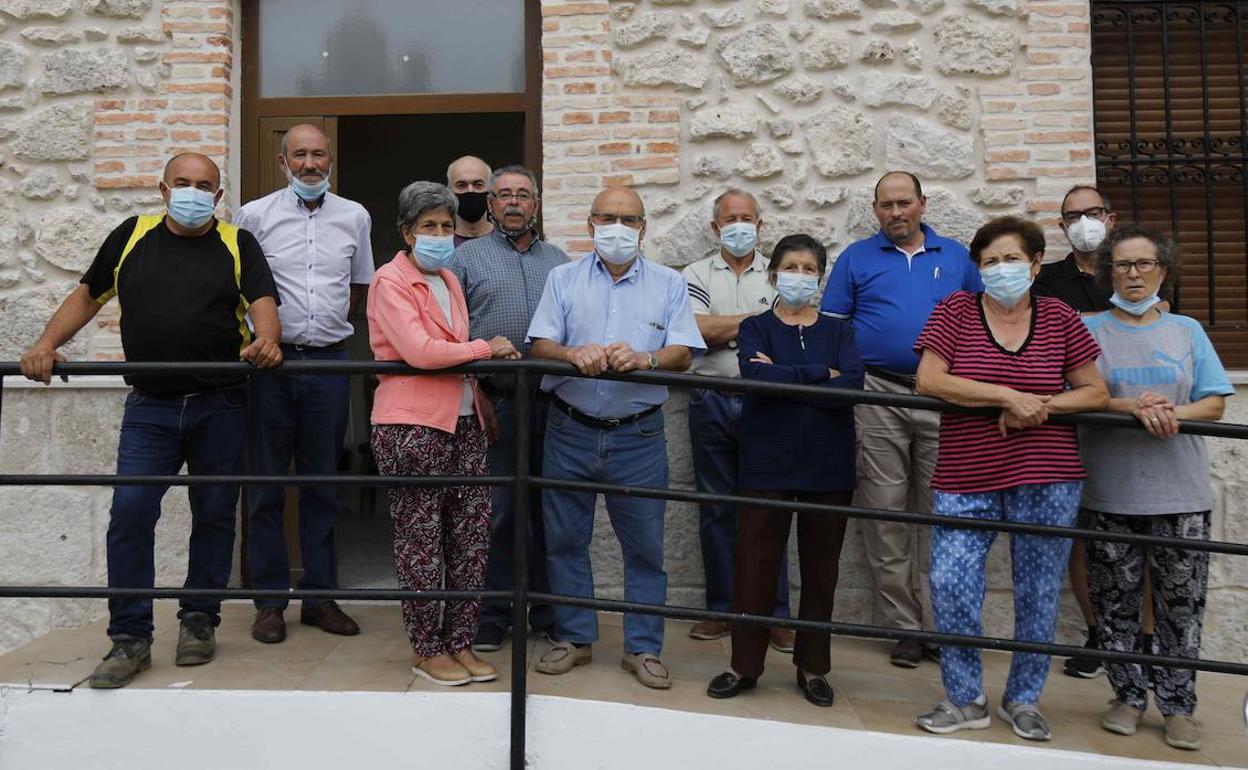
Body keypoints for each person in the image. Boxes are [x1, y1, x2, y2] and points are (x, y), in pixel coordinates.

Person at [19, 153, 282, 688]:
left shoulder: (237, 243)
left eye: (203, 185)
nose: (192, 192)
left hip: (221, 404)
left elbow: (262, 301)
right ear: (163, 190)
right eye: (182, 183)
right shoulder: (131, 234)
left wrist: (268, 337)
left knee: (213, 516)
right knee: (131, 515)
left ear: (218, 195)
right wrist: (47, 343)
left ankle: (199, 622)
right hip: (151, 409)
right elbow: (88, 295)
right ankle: (130, 637)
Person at [912, 215, 1108, 741]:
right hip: (965, 470)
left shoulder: (1061, 316)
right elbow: (929, 379)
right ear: (978, 269)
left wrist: (1037, 406)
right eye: (990, 262)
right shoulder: (956, 310)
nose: (1002, 269)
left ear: (1036, 262)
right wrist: (1004, 395)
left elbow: (1094, 392)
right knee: (952, 582)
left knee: (1039, 590)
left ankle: (1024, 699)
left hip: (1046, 473)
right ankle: (964, 697)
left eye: (1012, 259)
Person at [528, 186, 705, 690]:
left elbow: (683, 352)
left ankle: (643, 648)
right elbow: (539, 341)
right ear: (590, 224)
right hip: (570, 428)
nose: (618, 228)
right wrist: (569, 355)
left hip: (639, 436)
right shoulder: (561, 279)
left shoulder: (670, 284)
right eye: (607, 216)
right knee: (564, 540)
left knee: (645, 545)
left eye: (629, 219)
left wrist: (647, 359)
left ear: (644, 228)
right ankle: (574, 638)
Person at [820, 170, 983, 668]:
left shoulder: (956, 257)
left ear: (922, 204)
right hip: (878, 394)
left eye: (904, 203)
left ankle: (947, 626)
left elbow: (982, 320)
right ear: (875, 211)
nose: (896, 213)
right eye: (886, 205)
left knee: (946, 516)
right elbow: (834, 326)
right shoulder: (856, 258)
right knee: (886, 513)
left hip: (945, 398)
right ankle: (906, 629)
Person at [1080, 226, 1231, 751]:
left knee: (1180, 606)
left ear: (1163, 271)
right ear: (1107, 274)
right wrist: (1131, 408)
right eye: (1122, 265)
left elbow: (1214, 402)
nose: (1134, 273)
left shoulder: (1188, 331)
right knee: (1114, 602)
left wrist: (1171, 413)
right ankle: (1126, 695)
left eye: (1144, 264)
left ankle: (1178, 705)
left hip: (1181, 494)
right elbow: (1076, 394)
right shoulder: (1085, 329)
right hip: (1109, 491)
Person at [367, 181, 520, 686]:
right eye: (428, 226)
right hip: (411, 426)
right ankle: (426, 648)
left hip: (464, 421)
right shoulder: (390, 281)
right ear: (407, 232)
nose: (438, 235)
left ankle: (460, 640)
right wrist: (484, 349)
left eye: (446, 226)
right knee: (421, 543)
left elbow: (449, 348)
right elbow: (422, 352)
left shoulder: (450, 280)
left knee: (470, 538)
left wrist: (478, 387)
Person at [706, 234, 862, 707]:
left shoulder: (840, 330)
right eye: (790, 268)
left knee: (821, 569)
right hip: (765, 460)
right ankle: (744, 665)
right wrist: (820, 373)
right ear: (773, 275)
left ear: (819, 278)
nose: (799, 276)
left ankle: (813, 666)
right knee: (753, 564)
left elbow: (853, 383)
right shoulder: (755, 327)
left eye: (809, 269)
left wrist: (789, 375)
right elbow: (756, 378)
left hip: (828, 463)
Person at [234, 123, 374, 644]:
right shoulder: (254, 215)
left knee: (323, 485)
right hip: (269, 366)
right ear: (282, 161)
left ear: (330, 160)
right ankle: (269, 603)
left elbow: (358, 291)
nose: (310, 163)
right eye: (300, 155)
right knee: (267, 486)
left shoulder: (354, 216)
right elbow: (242, 287)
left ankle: (320, 598)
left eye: (319, 154)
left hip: (329, 366)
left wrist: (324, 331)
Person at [452, 164, 569, 652]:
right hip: (493, 402)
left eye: (524, 195)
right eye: (504, 196)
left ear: (537, 204)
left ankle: (546, 610)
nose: (514, 203)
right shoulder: (465, 261)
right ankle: (491, 614)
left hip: (554, 404)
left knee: (551, 511)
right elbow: (451, 335)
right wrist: (474, 388)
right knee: (495, 513)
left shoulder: (561, 262)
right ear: (492, 205)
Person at [682, 189, 794, 653]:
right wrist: (759, 321)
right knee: (717, 509)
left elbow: (791, 333)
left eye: (747, 217)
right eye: (730, 218)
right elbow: (697, 331)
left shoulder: (783, 272)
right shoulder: (693, 273)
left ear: (760, 224)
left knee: (770, 508)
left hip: (768, 403)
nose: (739, 224)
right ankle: (723, 608)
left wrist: (730, 326)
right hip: (710, 399)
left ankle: (776, 614)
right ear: (715, 227)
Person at [447, 155, 494, 246]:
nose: (470, 190)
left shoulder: (505, 240)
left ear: (490, 190)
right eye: (461, 185)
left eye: (478, 184)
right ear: (450, 192)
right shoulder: (440, 245)